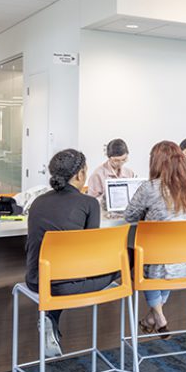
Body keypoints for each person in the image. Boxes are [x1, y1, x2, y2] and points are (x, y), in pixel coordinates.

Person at [26, 149, 118, 358]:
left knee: (63, 276)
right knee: (126, 262)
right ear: (79, 175)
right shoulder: (88, 203)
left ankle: (51, 318)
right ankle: (150, 320)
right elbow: (91, 251)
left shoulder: (38, 202)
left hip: (35, 280)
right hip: (67, 286)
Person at [124, 140, 186, 336]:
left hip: (164, 266)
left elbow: (129, 216)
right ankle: (153, 316)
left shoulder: (150, 188)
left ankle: (157, 316)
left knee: (148, 257)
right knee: (164, 254)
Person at [86, 138, 136, 205]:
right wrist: (105, 197)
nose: (120, 163)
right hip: (105, 213)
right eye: (116, 160)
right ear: (108, 157)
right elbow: (91, 202)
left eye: (124, 159)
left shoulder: (129, 173)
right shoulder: (98, 174)